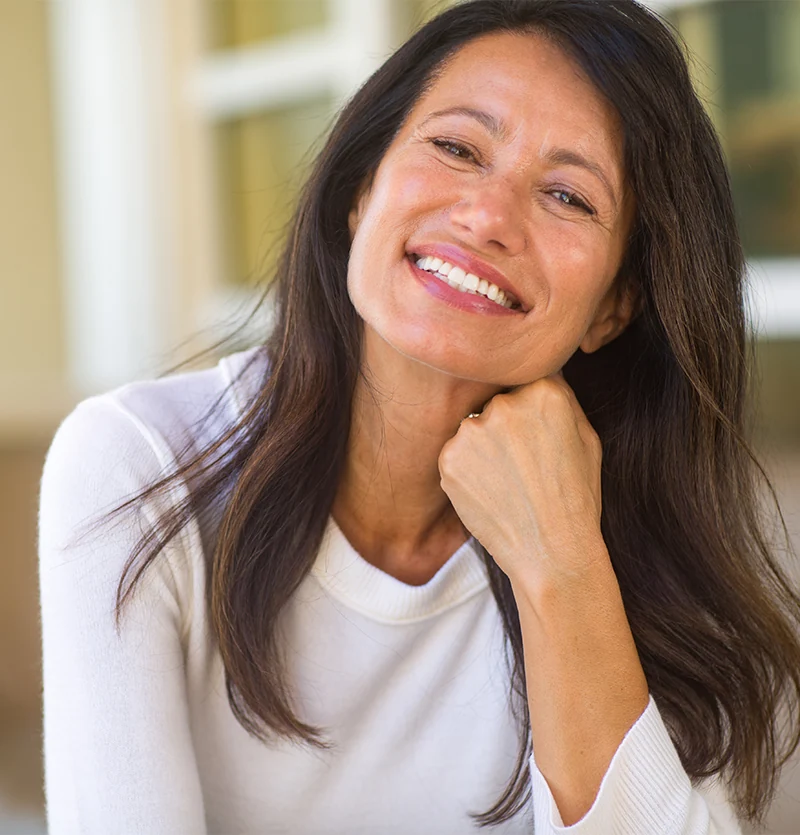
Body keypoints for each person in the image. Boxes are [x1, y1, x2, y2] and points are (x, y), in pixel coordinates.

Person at [38, 1, 800, 832]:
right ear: (363, 189)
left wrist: (567, 570)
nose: (487, 217)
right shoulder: (139, 467)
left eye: (568, 196)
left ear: (615, 305)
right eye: (457, 147)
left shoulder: (643, 546)